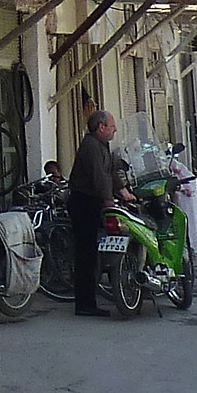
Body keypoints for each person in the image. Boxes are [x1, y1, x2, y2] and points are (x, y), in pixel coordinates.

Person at [70, 109, 121, 317]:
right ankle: (85, 304)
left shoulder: (103, 145)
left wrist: (123, 190)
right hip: (84, 203)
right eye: (112, 126)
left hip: (93, 202)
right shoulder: (91, 145)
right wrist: (109, 200)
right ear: (101, 127)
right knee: (86, 254)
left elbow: (111, 172)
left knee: (92, 253)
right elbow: (99, 177)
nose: (115, 130)